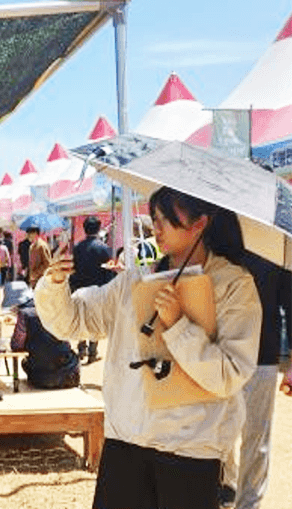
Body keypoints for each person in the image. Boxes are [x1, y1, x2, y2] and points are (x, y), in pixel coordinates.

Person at [34, 186, 261, 509]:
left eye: (166, 219)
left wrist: (180, 325)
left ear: (200, 224)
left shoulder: (234, 285)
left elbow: (230, 373)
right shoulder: (134, 280)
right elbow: (75, 320)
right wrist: (55, 285)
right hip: (126, 443)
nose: (156, 228)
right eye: (154, 218)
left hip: (192, 451)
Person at [219, 253, 292, 509]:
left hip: (262, 355)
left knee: (256, 437)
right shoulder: (220, 230)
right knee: (218, 426)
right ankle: (227, 481)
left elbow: (290, 303)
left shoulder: (276, 248)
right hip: (221, 351)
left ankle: (249, 502)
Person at [69, 216, 114, 365]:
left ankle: (81, 349)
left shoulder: (77, 248)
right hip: (97, 290)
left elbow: (72, 269)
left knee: (81, 318)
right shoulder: (105, 249)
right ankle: (93, 352)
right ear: (99, 228)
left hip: (79, 288)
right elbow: (109, 272)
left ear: (84, 229)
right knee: (95, 319)